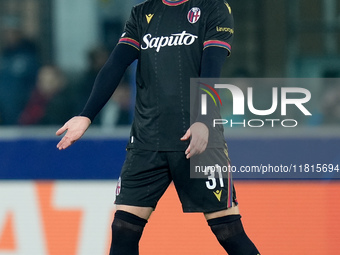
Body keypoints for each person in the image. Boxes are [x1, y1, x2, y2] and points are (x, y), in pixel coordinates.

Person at [56, 0, 260, 254]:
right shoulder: (142, 13)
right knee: (123, 228)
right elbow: (115, 65)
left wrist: (203, 121)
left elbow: (212, 67)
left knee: (228, 231)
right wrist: (86, 115)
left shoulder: (213, 8)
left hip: (197, 138)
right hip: (147, 141)